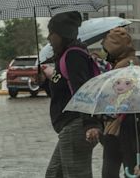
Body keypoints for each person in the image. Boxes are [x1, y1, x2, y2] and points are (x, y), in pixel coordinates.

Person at [96, 27, 140, 178]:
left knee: (115, 171)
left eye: (107, 50)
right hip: (119, 129)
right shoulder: (123, 63)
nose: (105, 54)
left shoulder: (126, 66)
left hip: (122, 128)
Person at [45, 11, 102, 178]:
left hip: (76, 125)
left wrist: (90, 124)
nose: (49, 38)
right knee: (54, 174)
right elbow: (61, 93)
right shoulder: (64, 56)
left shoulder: (73, 55)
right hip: (69, 126)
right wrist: (44, 81)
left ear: (62, 34)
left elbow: (84, 90)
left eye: (52, 33)